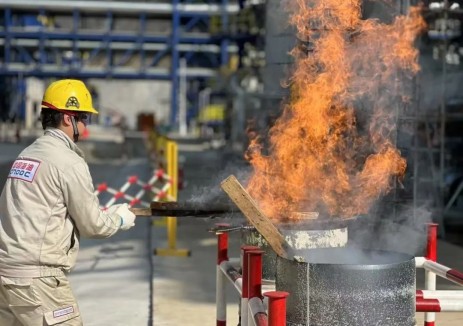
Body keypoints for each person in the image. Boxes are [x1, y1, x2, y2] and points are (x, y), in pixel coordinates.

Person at [0, 79, 136, 325]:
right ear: (67, 118)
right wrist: (119, 219)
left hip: (6, 277)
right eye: (84, 117)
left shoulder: (27, 155)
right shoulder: (69, 161)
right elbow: (94, 226)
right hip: (39, 280)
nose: (85, 124)